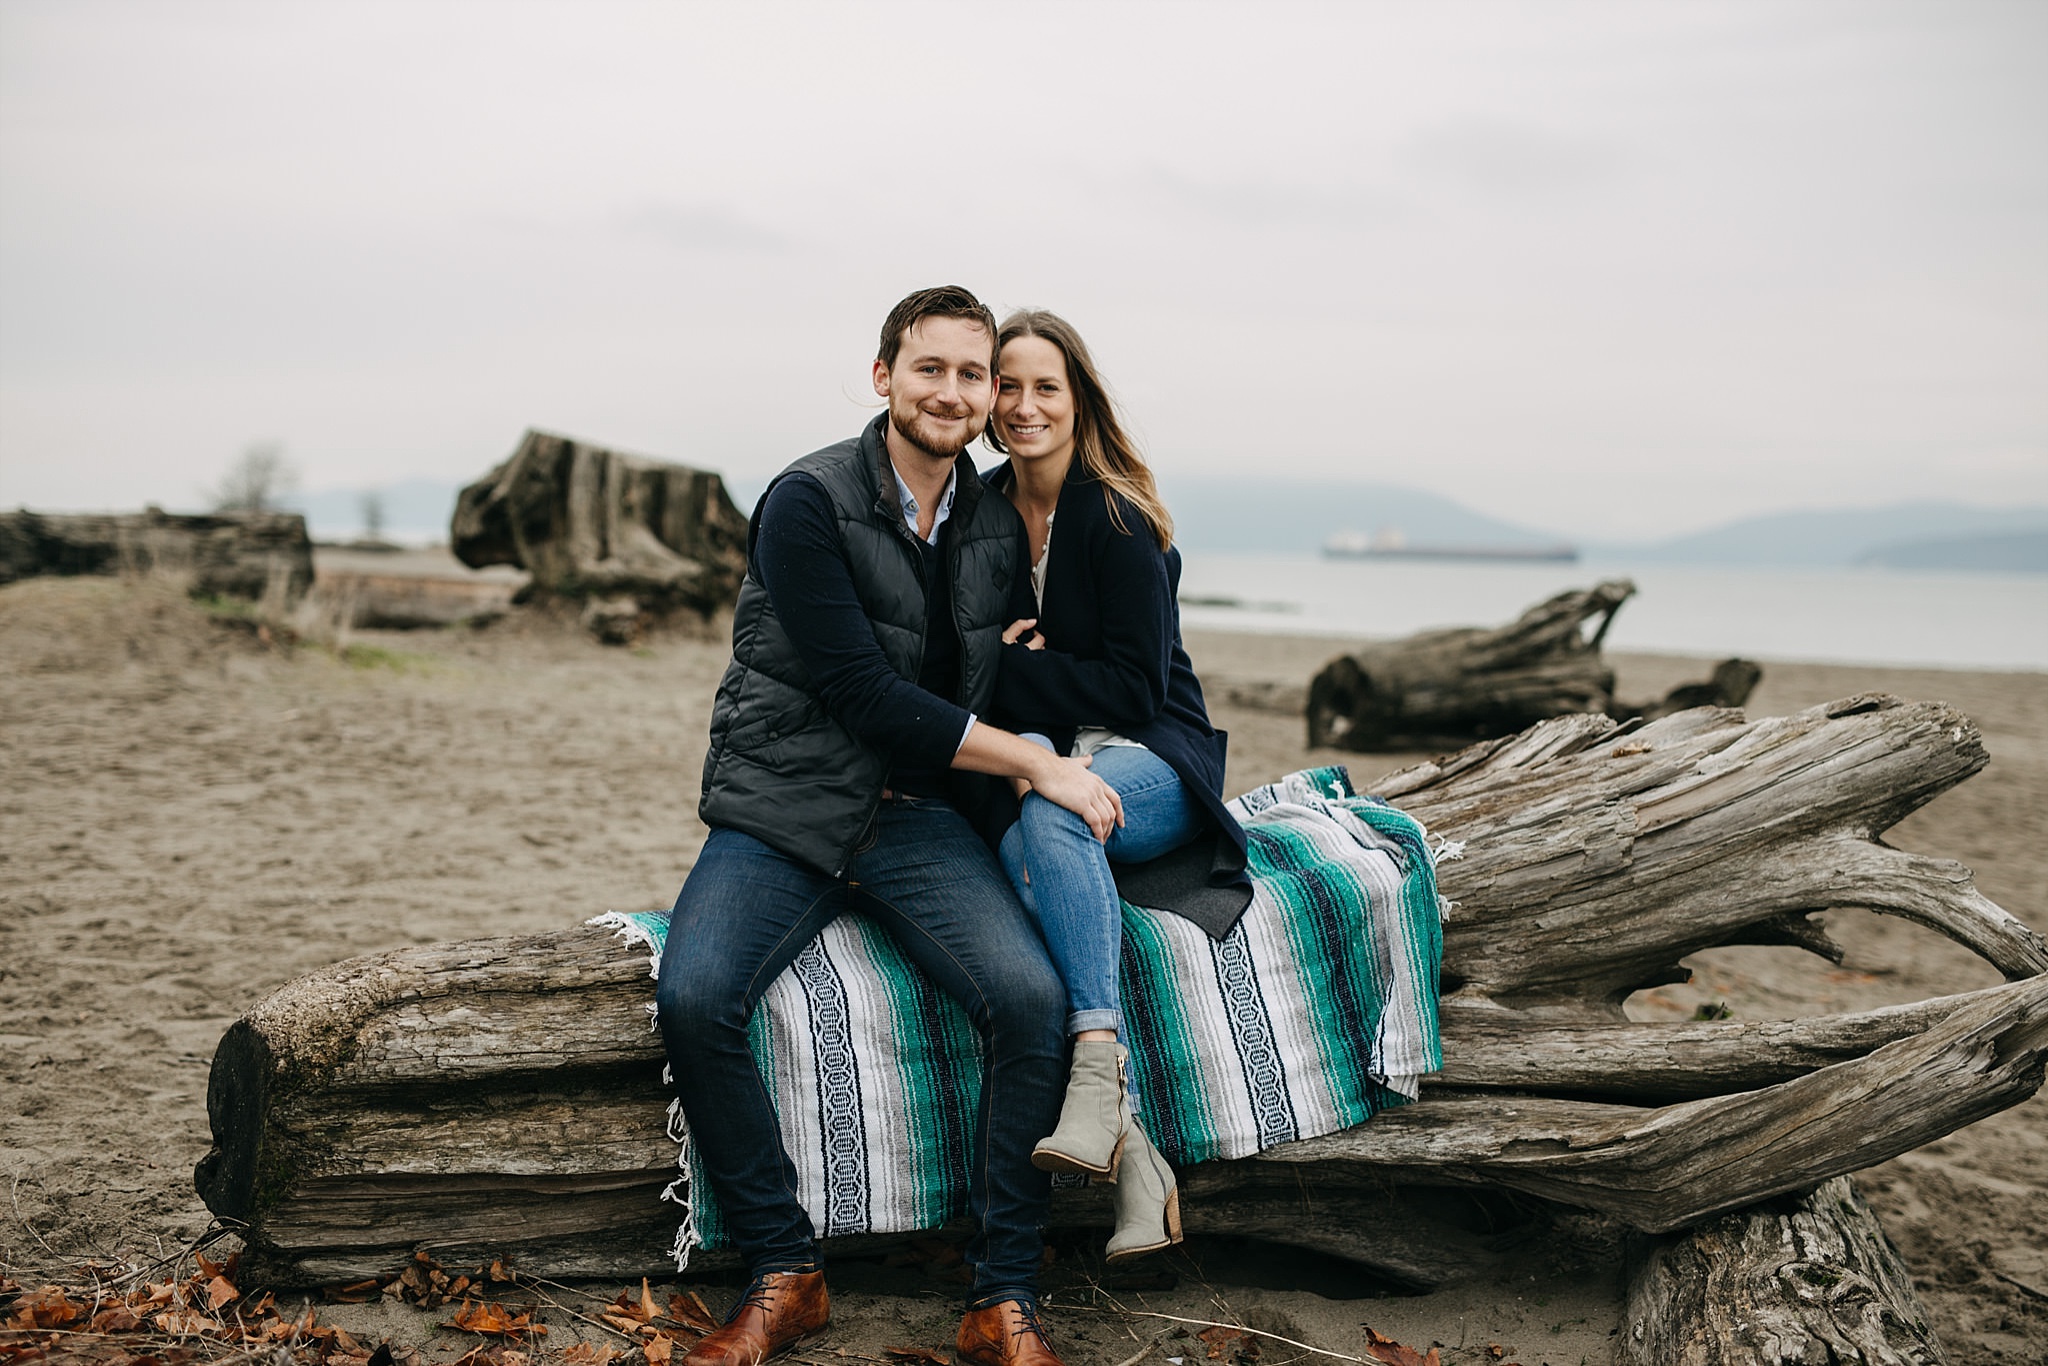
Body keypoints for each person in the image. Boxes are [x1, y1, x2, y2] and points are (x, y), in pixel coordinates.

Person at [655, 287, 1121, 1366]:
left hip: (914, 815)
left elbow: (1003, 660)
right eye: (931, 369)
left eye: (973, 375)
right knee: (693, 993)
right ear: (884, 376)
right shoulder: (805, 500)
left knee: (1028, 999)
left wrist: (1034, 672)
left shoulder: (995, 521)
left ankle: (998, 1297)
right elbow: (864, 692)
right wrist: (1034, 764)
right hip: (784, 806)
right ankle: (785, 1270)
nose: (953, 393)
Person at [982, 309, 1252, 1265]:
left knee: (1048, 814)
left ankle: (1098, 1077)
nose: (1023, 406)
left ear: (1078, 397)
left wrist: (1023, 671)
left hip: (1158, 757)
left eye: (1044, 386)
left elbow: (1138, 688)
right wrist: (1025, 679)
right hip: (1050, 766)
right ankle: (1128, 1144)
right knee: (1032, 844)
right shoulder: (980, 515)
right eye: (1006, 386)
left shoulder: (1115, 515)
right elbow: (964, 666)